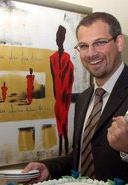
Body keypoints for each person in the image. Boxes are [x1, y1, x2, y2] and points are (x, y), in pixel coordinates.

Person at [24, 12, 128, 185]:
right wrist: (49, 167)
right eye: (83, 46)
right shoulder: (84, 98)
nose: (91, 54)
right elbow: (85, 155)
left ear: (119, 43)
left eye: (100, 43)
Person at [50, 25, 74, 156]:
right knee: (60, 122)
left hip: (66, 96)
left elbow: (70, 78)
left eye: (61, 36)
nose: (58, 39)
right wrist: (57, 96)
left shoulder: (67, 57)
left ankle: (64, 151)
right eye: (57, 36)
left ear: (63, 38)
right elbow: (54, 78)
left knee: (64, 123)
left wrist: (66, 93)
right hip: (58, 98)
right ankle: (61, 151)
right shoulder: (52, 58)